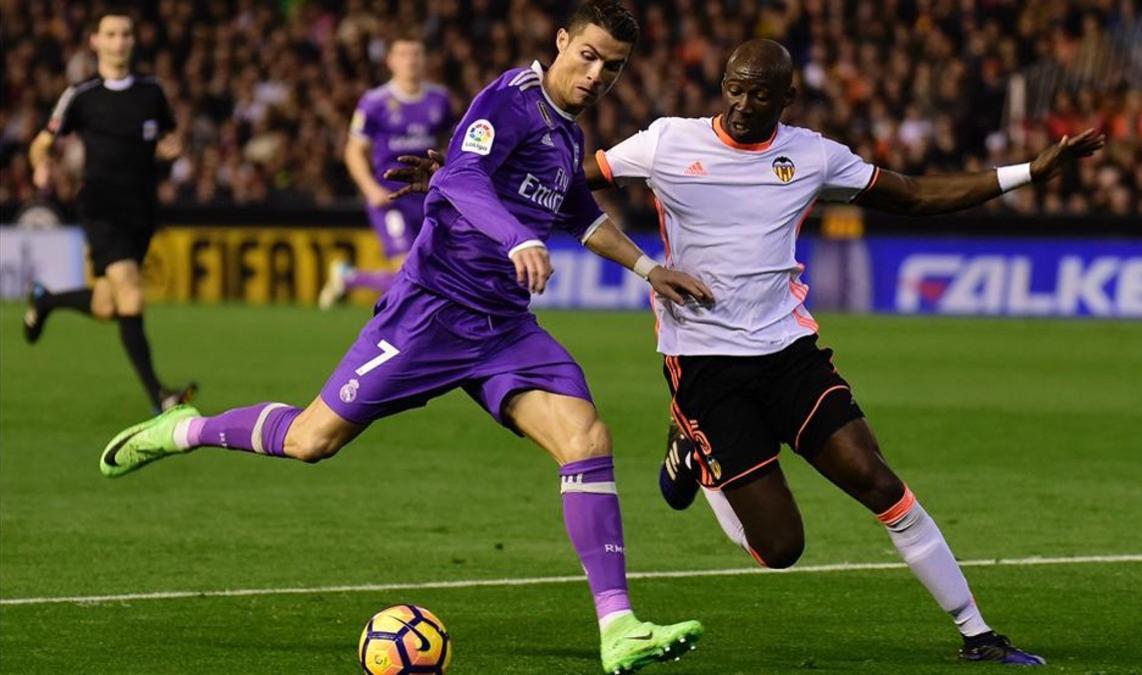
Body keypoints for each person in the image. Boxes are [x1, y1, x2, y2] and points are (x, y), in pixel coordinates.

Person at [391, 37, 1105, 669]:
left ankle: (978, 633)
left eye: (758, 92)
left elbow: (914, 195)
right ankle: (693, 455)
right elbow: (566, 183)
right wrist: (461, 174)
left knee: (877, 480)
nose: (740, 101)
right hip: (703, 366)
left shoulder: (812, 154)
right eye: (732, 85)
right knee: (780, 549)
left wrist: (1029, 173)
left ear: (785, 98)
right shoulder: (669, 141)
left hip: (790, 350)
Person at [98, 3, 712, 673]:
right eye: (589, 55)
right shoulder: (510, 100)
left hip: (504, 329)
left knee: (587, 438)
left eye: (613, 68)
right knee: (311, 440)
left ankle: (618, 628)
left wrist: (652, 269)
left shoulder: (567, 136)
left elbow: (584, 217)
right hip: (430, 313)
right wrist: (517, 236)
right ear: (561, 42)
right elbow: (460, 176)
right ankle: (185, 427)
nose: (597, 75)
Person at [24, 9, 195, 413]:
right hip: (100, 208)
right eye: (111, 34)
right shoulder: (81, 96)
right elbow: (41, 142)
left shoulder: (152, 92)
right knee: (131, 294)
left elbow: (170, 136)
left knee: (107, 306)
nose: (119, 41)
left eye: (126, 34)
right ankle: (160, 396)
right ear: (95, 43)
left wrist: (172, 148)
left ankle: (46, 300)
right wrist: (39, 164)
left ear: (133, 42)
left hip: (142, 210)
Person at [318, 32, 454, 310]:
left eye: (416, 54)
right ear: (390, 61)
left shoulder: (440, 100)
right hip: (390, 197)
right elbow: (353, 150)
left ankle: (349, 278)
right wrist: (370, 190)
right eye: (403, 54)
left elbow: (449, 147)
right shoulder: (375, 102)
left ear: (425, 59)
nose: (411, 61)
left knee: (424, 273)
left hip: (428, 197)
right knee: (407, 269)